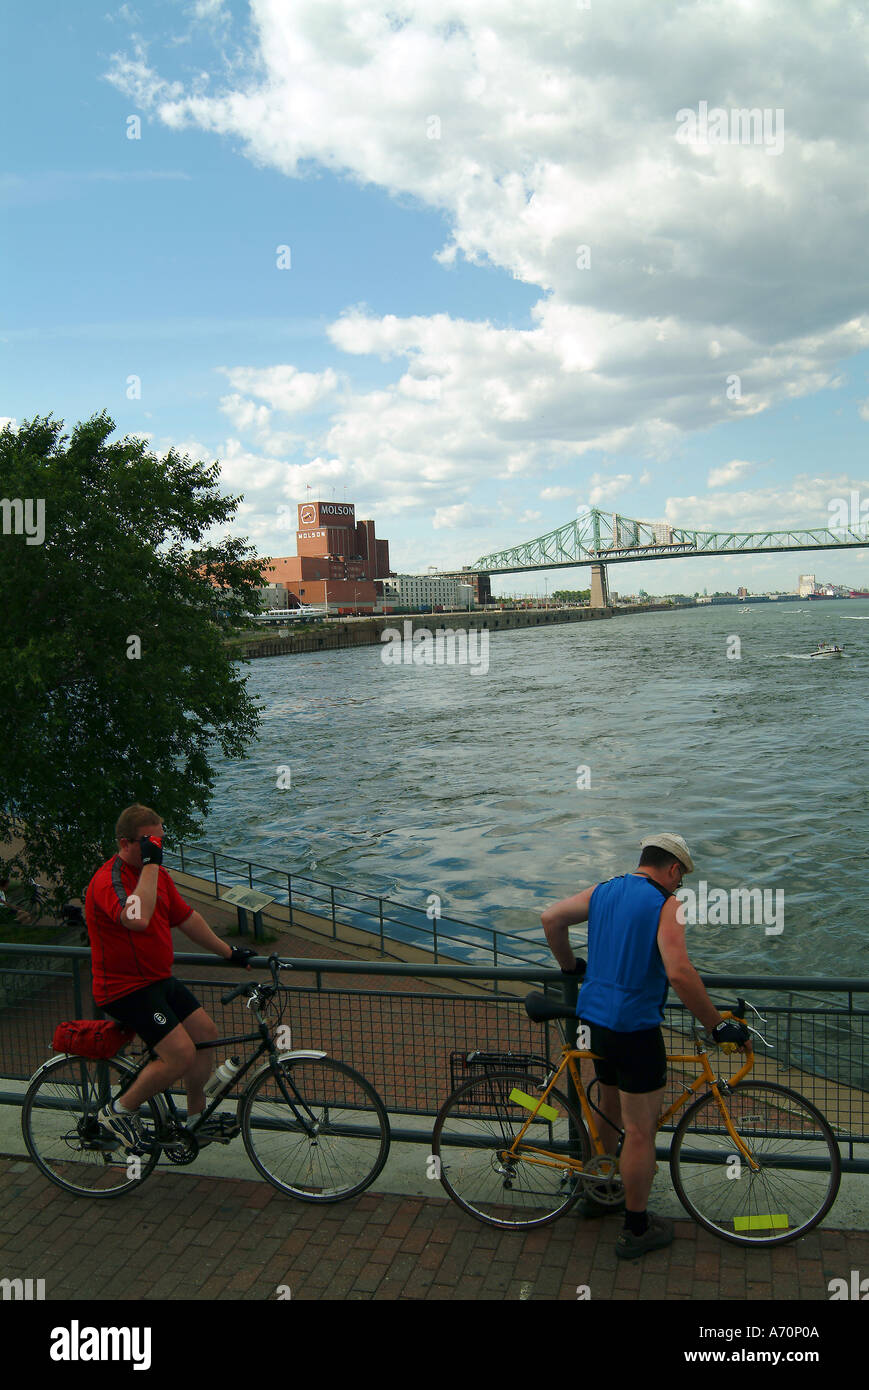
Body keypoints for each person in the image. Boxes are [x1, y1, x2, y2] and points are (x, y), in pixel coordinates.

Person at [541, 832, 750, 1260]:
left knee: (609, 1106)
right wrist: (714, 1025)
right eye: (681, 879)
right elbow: (679, 973)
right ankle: (635, 1229)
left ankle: (599, 1192)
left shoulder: (604, 890)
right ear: (673, 869)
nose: (679, 887)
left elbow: (551, 919)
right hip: (636, 1029)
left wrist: (569, 966)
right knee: (639, 1132)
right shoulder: (666, 904)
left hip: (596, 1022)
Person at [85, 804, 256, 1154]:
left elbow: (186, 918)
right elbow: (137, 918)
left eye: (160, 843)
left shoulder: (158, 877)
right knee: (179, 1055)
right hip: (123, 989)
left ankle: (196, 1118)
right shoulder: (108, 880)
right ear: (125, 843)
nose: (157, 850)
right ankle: (117, 1112)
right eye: (149, 843)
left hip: (157, 979)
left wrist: (230, 952)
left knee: (206, 1034)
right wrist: (150, 865)